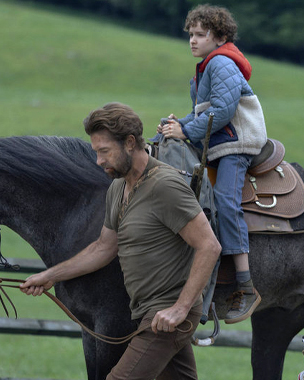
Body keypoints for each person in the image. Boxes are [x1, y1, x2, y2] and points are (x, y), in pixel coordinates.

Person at [20, 102, 221, 380]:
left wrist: (180, 308)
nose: (99, 161)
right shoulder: (118, 187)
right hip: (146, 314)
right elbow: (103, 247)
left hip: (166, 316)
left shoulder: (166, 185)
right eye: (96, 152)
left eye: (104, 151)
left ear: (129, 143)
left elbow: (209, 246)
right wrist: (51, 275)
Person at [157, 4, 266, 324]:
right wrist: (175, 125)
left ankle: (245, 286)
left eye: (200, 34)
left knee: (224, 201)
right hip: (219, 142)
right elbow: (205, 111)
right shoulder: (208, 65)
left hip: (236, 144)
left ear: (220, 37)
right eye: (190, 34)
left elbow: (222, 109)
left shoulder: (221, 63)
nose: (192, 40)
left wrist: (187, 129)